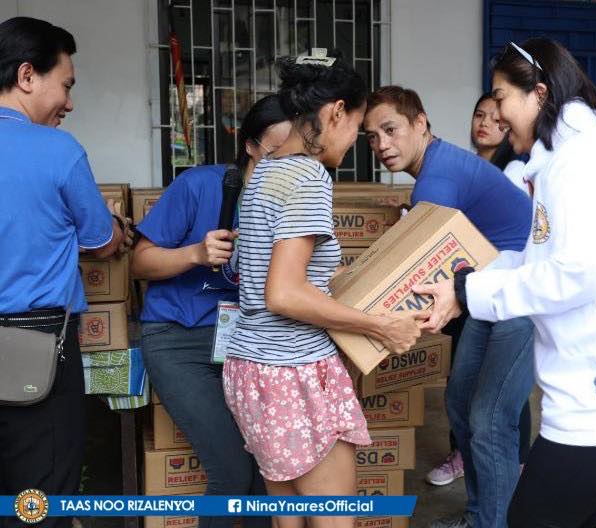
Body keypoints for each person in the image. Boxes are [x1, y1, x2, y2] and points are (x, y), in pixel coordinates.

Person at [415, 38, 596, 528]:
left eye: (501, 98)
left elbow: (572, 276)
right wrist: (467, 287)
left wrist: (470, 293)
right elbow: (533, 251)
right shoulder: (563, 159)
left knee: (533, 518)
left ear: (539, 94)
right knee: (577, 518)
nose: (497, 116)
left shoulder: (582, 163)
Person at [222, 51, 424, 528]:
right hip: (293, 371)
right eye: (356, 127)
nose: (356, 142)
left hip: (251, 368)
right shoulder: (309, 177)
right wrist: (381, 325)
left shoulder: (266, 170)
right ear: (335, 112)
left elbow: (259, 272)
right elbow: (284, 294)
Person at [364, 86, 534, 528]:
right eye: (371, 136)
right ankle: (481, 514)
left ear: (421, 123)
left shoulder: (437, 180)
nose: (382, 145)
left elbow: (410, 270)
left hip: (521, 294)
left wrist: (361, 322)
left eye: (390, 129)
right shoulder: (437, 169)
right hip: (489, 291)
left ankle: (493, 521)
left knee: (491, 421)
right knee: (460, 400)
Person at [131, 95, 291, 528]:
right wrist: (195, 254)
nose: (287, 166)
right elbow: (139, 262)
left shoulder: (291, 202)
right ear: (252, 145)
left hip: (250, 343)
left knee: (266, 472)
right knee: (232, 470)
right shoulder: (200, 184)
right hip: (179, 339)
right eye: (278, 154)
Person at [0, 16, 128, 527]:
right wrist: (118, 227)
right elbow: (102, 242)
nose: (69, 104)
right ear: (28, 75)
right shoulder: (59, 151)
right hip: (36, 352)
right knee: (40, 497)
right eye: (66, 85)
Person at [470, 93, 527, 194]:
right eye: (479, 115)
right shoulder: (466, 166)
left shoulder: (515, 170)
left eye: (496, 120)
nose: (484, 123)